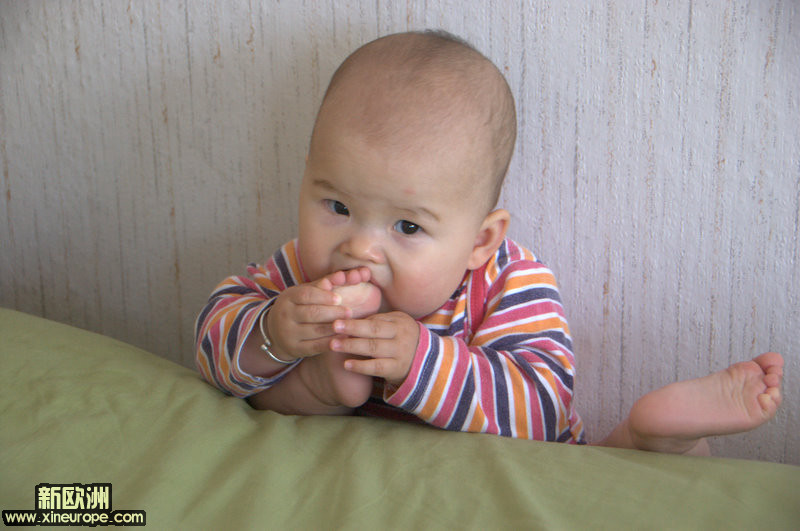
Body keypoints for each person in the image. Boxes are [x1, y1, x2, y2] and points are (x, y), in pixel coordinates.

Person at [195, 30, 783, 455]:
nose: (359, 249)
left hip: (554, 461)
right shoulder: (300, 274)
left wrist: (419, 362)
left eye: (407, 227)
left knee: (598, 465)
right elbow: (209, 343)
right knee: (301, 379)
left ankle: (650, 436)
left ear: (480, 240)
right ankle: (322, 387)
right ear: (306, 181)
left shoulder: (506, 284)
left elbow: (540, 409)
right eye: (338, 207)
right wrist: (271, 334)